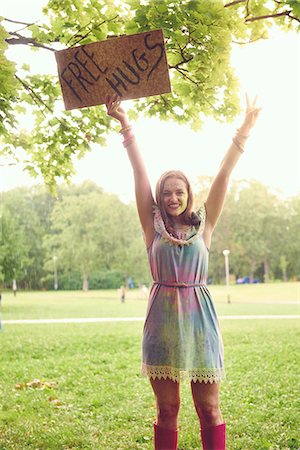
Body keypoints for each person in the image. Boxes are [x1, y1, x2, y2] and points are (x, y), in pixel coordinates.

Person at [105, 93, 261, 450]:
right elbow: (139, 173)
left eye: (179, 192)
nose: (173, 198)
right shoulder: (152, 225)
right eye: (166, 193)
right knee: (168, 408)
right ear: (158, 198)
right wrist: (125, 125)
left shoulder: (204, 225)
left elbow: (224, 174)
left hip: (200, 322)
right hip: (161, 321)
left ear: (189, 195)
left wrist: (244, 130)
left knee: (209, 408)